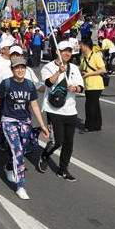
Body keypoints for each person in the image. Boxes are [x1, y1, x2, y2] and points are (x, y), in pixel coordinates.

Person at [0, 56, 49, 199]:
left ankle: (8, 167)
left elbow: (34, 105)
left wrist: (42, 125)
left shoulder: (30, 85)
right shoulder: (6, 84)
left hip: (25, 122)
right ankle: (21, 186)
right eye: (17, 68)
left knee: (21, 150)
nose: (20, 70)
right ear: (12, 69)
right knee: (18, 151)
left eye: (22, 67)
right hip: (9, 121)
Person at [39, 42, 85, 180]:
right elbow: (47, 83)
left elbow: (81, 87)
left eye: (70, 51)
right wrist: (59, 71)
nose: (67, 54)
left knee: (68, 143)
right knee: (57, 141)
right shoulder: (48, 67)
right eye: (65, 51)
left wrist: (76, 89)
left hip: (70, 110)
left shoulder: (74, 68)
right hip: (53, 110)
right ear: (58, 51)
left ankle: (63, 170)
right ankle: (45, 155)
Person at [80, 38, 106, 132]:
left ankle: (89, 126)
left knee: (90, 105)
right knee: (95, 105)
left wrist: (88, 74)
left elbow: (103, 70)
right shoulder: (83, 57)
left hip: (96, 85)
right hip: (87, 85)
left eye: (81, 45)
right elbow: (81, 69)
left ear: (86, 46)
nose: (80, 46)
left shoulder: (96, 56)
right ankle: (97, 125)